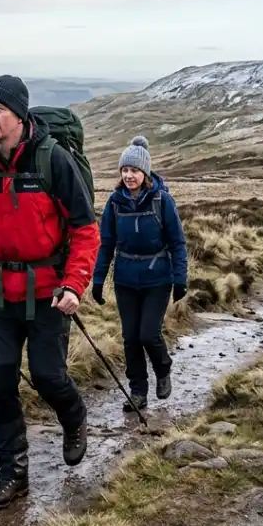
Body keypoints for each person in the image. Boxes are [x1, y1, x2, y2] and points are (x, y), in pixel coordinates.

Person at [0, 74, 100, 513]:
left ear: (19, 114)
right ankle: (12, 473)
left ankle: (74, 416)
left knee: (50, 376)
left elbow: (85, 231)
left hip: (49, 292)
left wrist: (75, 284)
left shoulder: (53, 160)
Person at [90, 136, 189, 412]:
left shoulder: (162, 200)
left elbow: (178, 243)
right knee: (130, 337)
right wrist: (98, 280)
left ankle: (163, 368)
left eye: (134, 170)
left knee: (148, 334)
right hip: (124, 279)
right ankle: (137, 392)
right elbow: (106, 243)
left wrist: (180, 278)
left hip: (158, 278)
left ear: (144, 172)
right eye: (124, 170)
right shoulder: (114, 203)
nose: (129, 175)